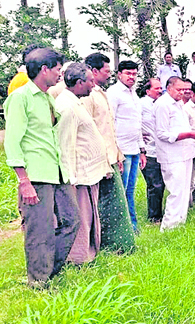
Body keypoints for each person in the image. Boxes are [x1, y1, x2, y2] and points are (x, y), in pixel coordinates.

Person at [3, 47, 78, 288]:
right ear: (44, 69)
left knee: (71, 220)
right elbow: (12, 141)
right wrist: (24, 181)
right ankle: (38, 282)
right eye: (57, 69)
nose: (60, 74)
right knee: (40, 230)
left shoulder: (46, 97)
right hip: (36, 174)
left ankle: (49, 269)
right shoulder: (20, 97)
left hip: (57, 171)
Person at [56, 63, 111, 264]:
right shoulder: (67, 106)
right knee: (82, 218)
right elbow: (65, 144)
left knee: (89, 216)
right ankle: (77, 259)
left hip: (89, 173)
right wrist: (70, 179)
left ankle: (88, 254)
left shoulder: (76, 102)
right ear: (79, 83)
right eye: (90, 80)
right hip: (79, 175)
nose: (93, 84)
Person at [82, 52, 135, 252]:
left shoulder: (100, 92)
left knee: (117, 204)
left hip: (112, 157)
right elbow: (90, 131)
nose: (109, 74)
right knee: (103, 206)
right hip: (99, 160)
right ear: (94, 71)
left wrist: (118, 155)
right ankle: (103, 246)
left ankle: (118, 246)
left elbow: (109, 128)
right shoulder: (87, 97)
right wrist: (103, 160)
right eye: (106, 71)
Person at [154, 77, 195, 230]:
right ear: (169, 88)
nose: (182, 93)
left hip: (185, 153)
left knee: (184, 191)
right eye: (179, 90)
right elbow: (162, 133)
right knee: (175, 192)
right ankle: (168, 227)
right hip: (172, 155)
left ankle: (179, 224)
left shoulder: (179, 104)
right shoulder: (163, 104)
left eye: (184, 90)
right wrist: (189, 134)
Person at [108, 60, 147, 231]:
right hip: (121, 151)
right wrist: (116, 153)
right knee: (121, 193)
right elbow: (109, 123)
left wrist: (142, 150)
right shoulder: (114, 93)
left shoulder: (134, 94)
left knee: (130, 191)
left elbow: (137, 124)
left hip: (134, 150)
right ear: (119, 74)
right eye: (128, 73)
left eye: (134, 74)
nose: (132, 77)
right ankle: (119, 230)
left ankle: (132, 227)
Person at [140, 79, 165, 223]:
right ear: (148, 90)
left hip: (161, 150)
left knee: (161, 184)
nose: (160, 90)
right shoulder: (142, 104)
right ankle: (154, 217)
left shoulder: (160, 104)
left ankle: (159, 213)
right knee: (155, 184)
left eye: (161, 88)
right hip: (149, 150)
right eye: (157, 88)